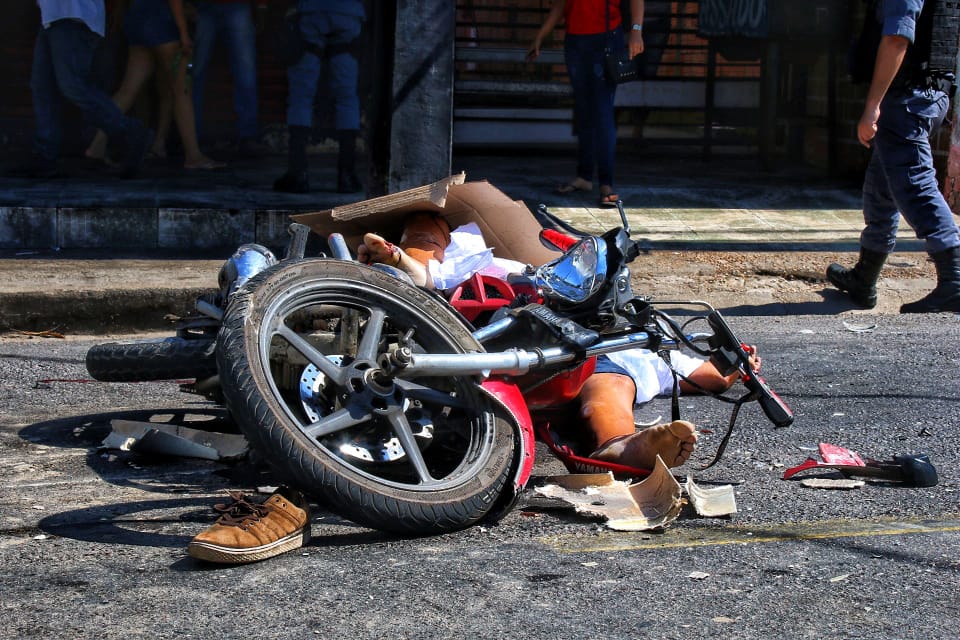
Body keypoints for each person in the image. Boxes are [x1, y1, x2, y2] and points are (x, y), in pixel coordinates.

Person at [357, 212, 761, 471]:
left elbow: (707, 375)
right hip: (484, 292)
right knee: (428, 226)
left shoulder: (642, 353)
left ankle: (619, 445)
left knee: (607, 384)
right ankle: (411, 265)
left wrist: (737, 367)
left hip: (555, 360)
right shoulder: (551, 276)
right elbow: (709, 375)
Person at [826, 0, 960, 313]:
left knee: (916, 186)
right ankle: (864, 277)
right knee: (882, 187)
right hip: (927, 94)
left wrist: (872, 106)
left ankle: (955, 279)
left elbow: (897, 38)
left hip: (908, 97)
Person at [527, 0, 645, 208]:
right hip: (575, 42)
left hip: (606, 38)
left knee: (602, 110)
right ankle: (584, 177)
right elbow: (561, 4)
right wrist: (540, 37)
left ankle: (606, 184)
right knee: (583, 109)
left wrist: (636, 30)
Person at [18, 0, 153, 179]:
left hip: (74, 17)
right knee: (43, 87)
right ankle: (45, 155)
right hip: (53, 18)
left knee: (73, 86)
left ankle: (129, 131)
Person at [84, 0, 225, 170]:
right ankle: (194, 156)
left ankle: (96, 146)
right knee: (181, 92)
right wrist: (184, 33)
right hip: (163, 22)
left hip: (136, 19)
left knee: (127, 91)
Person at [273, 0, 365, 194]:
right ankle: (346, 176)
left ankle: (298, 174)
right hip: (348, 12)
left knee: (301, 96)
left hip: (312, 11)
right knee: (346, 96)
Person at [190, 0, 269, 156]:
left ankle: (247, 135)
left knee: (245, 72)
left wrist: (262, 5)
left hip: (230, 6)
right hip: (204, 7)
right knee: (195, 73)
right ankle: (191, 136)